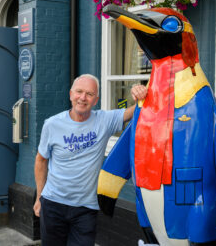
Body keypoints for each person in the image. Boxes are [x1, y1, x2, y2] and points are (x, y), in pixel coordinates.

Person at [33, 74, 147, 246]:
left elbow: (133, 111)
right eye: (79, 92)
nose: (83, 98)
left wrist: (141, 94)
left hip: (86, 208)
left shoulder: (104, 120)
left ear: (96, 100)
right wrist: (39, 197)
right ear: (71, 94)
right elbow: (41, 161)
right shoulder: (52, 124)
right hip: (53, 204)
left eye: (89, 94)